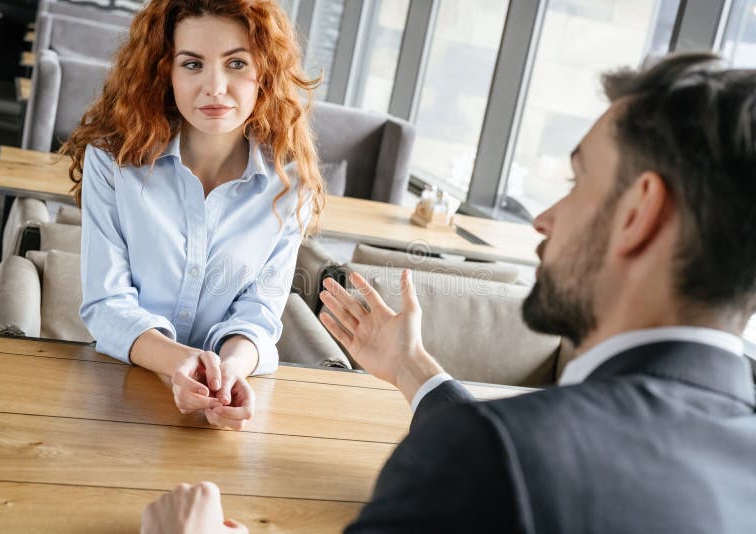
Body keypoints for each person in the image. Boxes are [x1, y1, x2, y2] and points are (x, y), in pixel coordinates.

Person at [140, 53, 756, 533]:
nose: (544, 219)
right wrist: (413, 369)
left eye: (577, 181)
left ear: (638, 212)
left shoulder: (486, 459)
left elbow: (503, 464)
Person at [60, 0, 324, 431]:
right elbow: (107, 303)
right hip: (118, 395)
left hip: (226, 411)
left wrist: (233, 368)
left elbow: (260, 310)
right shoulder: (112, 161)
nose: (215, 87)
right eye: (192, 64)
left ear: (266, 73)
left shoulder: (289, 183)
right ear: (166, 72)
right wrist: (182, 363)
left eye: (237, 63)